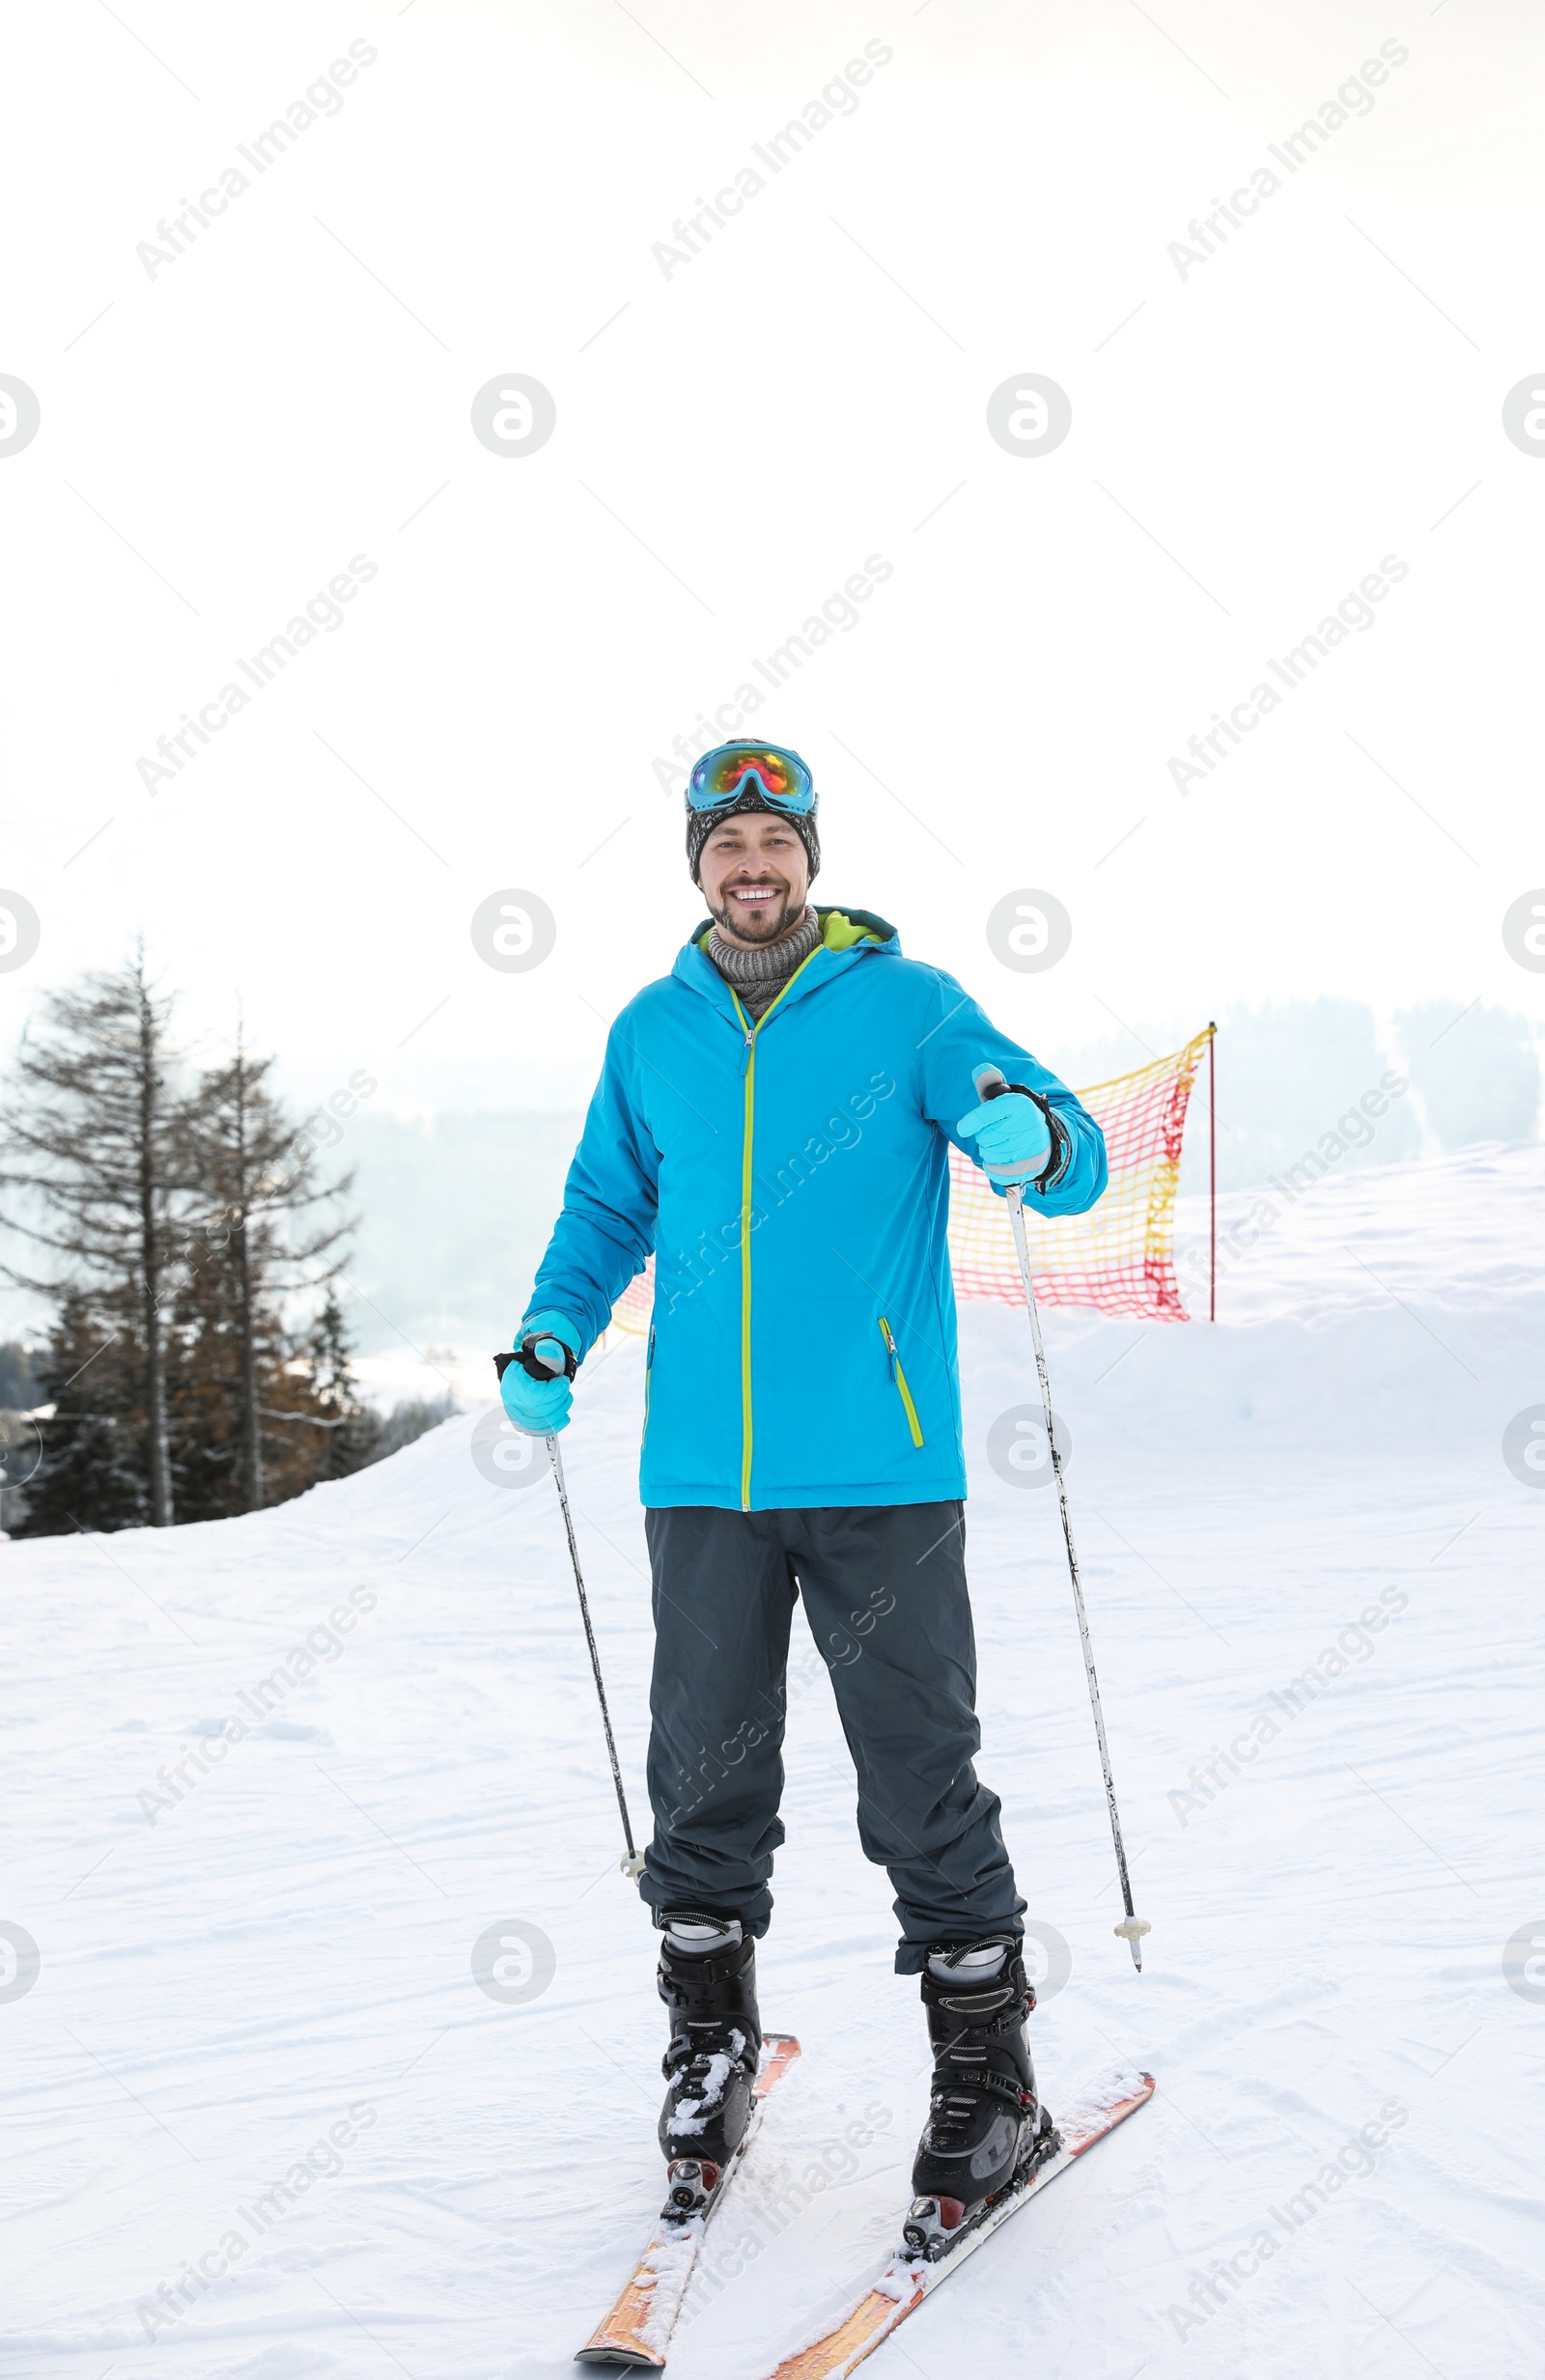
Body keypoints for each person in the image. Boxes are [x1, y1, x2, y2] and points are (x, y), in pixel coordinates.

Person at [501, 740, 1108, 2223]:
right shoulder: (652, 1030)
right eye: (727, 846)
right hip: (703, 1470)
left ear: (811, 859)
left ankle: (990, 2072)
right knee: (702, 1765)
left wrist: (1033, 1135)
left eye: (774, 841)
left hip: (880, 1464)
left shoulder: (910, 1008)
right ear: (696, 866)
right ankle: (705, 2040)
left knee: (917, 1765)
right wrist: (555, 1323)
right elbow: (606, 1203)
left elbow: (1068, 1154)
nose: (751, 867)